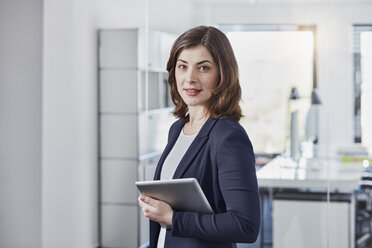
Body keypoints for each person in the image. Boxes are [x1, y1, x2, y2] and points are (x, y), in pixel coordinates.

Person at [138, 25, 261, 248]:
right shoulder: (177, 129)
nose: (190, 78)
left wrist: (173, 218)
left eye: (203, 68)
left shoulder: (228, 136)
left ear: (222, 75)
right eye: (182, 66)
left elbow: (246, 225)